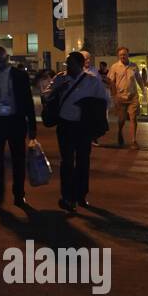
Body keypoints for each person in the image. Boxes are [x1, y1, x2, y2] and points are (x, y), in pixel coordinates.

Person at [45, 51, 109, 213]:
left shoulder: (92, 81)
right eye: (67, 63)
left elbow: (104, 101)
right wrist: (58, 89)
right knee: (66, 162)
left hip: (83, 127)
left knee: (82, 161)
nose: (68, 67)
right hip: (65, 125)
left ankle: (81, 194)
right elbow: (46, 95)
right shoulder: (60, 78)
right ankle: (67, 196)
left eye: (70, 63)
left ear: (80, 65)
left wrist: (89, 107)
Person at [0, 46, 38, 207]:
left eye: (1, 60)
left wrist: (32, 125)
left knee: (18, 160)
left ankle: (19, 195)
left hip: (15, 121)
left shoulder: (20, 76)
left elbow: (28, 101)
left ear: (7, 58)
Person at [105, 46, 143, 149]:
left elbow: (139, 79)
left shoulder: (134, 66)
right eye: (121, 55)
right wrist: (114, 95)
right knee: (121, 119)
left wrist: (143, 89)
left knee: (133, 117)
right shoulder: (114, 67)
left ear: (128, 55)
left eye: (124, 54)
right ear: (118, 56)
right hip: (120, 97)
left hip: (133, 95)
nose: (123, 56)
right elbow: (110, 81)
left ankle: (134, 140)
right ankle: (120, 132)